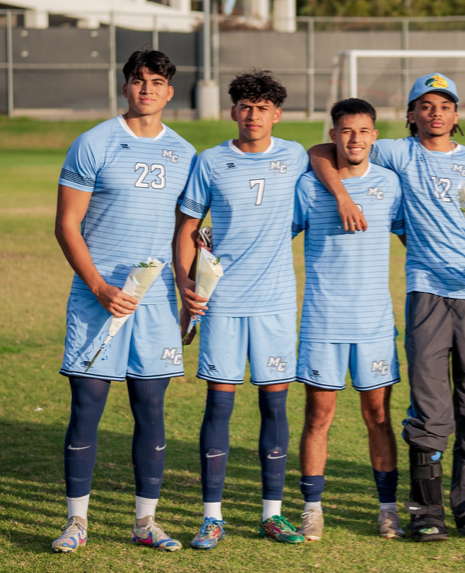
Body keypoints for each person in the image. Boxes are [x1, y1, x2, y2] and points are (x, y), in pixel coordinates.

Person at [307, 73, 465, 542]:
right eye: (425, 105)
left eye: (444, 105)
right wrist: (341, 193)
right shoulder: (395, 153)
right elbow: (322, 152)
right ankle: (426, 512)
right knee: (430, 405)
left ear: (456, 115)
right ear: (411, 114)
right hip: (426, 292)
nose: (435, 112)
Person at [52, 49, 195, 554]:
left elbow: (186, 232)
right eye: (139, 80)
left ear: (169, 91)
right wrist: (98, 286)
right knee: (87, 406)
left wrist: (188, 287)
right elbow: (66, 224)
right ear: (125, 86)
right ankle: (76, 521)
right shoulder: (94, 143)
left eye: (157, 82)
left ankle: (144, 522)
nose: (147, 89)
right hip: (99, 299)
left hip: (154, 307)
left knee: (150, 409)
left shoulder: (185, 153)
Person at [175, 70, 309, 549]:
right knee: (220, 404)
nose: (253, 116)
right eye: (245, 107)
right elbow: (188, 227)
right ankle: (213, 517)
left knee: (275, 407)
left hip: (274, 304)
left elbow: (328, 163)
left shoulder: (295, 155)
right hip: (222, 304)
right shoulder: (210, 161)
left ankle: (272, 514)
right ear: (233, 111)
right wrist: (185, 283)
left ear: (277, 114)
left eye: (263, 108)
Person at [292, 98, 405, 541]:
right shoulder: (308, 186)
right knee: (318, 416)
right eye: (346, 131)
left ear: (374, 136)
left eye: (363, 131)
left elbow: (412, 236)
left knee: (378, 416)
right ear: (333, 134)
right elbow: (275, 234)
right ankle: (313, 508)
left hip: (375, 323)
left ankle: (387, 509)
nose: (354, 139)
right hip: (323, 321)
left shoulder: (391, 185)